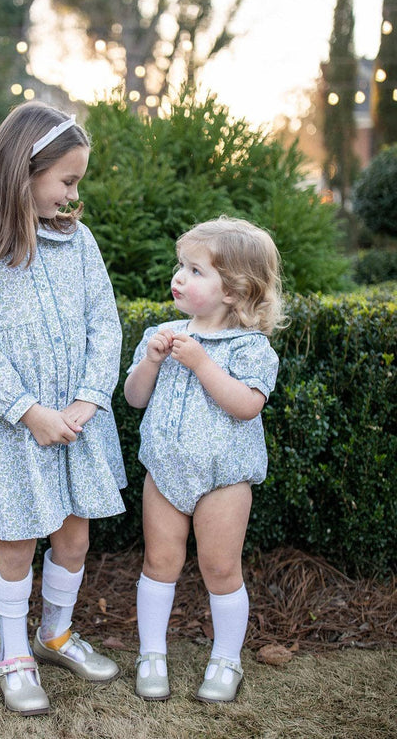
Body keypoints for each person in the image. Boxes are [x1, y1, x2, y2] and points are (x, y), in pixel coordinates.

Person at [0, 101, 126, 717]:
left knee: (73, 536)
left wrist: (86, 399)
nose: (74, 195)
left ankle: (56, 632)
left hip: (76, 422)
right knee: (17, 542)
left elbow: (104, 323)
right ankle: (13, 652)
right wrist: (28, 411)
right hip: (13, 430)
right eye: (67, 181)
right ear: (24, 169)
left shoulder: (78, 242)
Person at [124, 216, 285, 704]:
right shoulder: (164, 332)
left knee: (220, 568)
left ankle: (226, 660)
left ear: (234, 291)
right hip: (165, 472)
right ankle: (151, 654)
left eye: (195, 271)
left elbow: (247, 404)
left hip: (224, 477)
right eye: (181, 266)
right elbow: (134, 398)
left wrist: (200, 363)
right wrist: (150, 360)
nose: (179, 277)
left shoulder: (250, 347)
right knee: (159, 561)